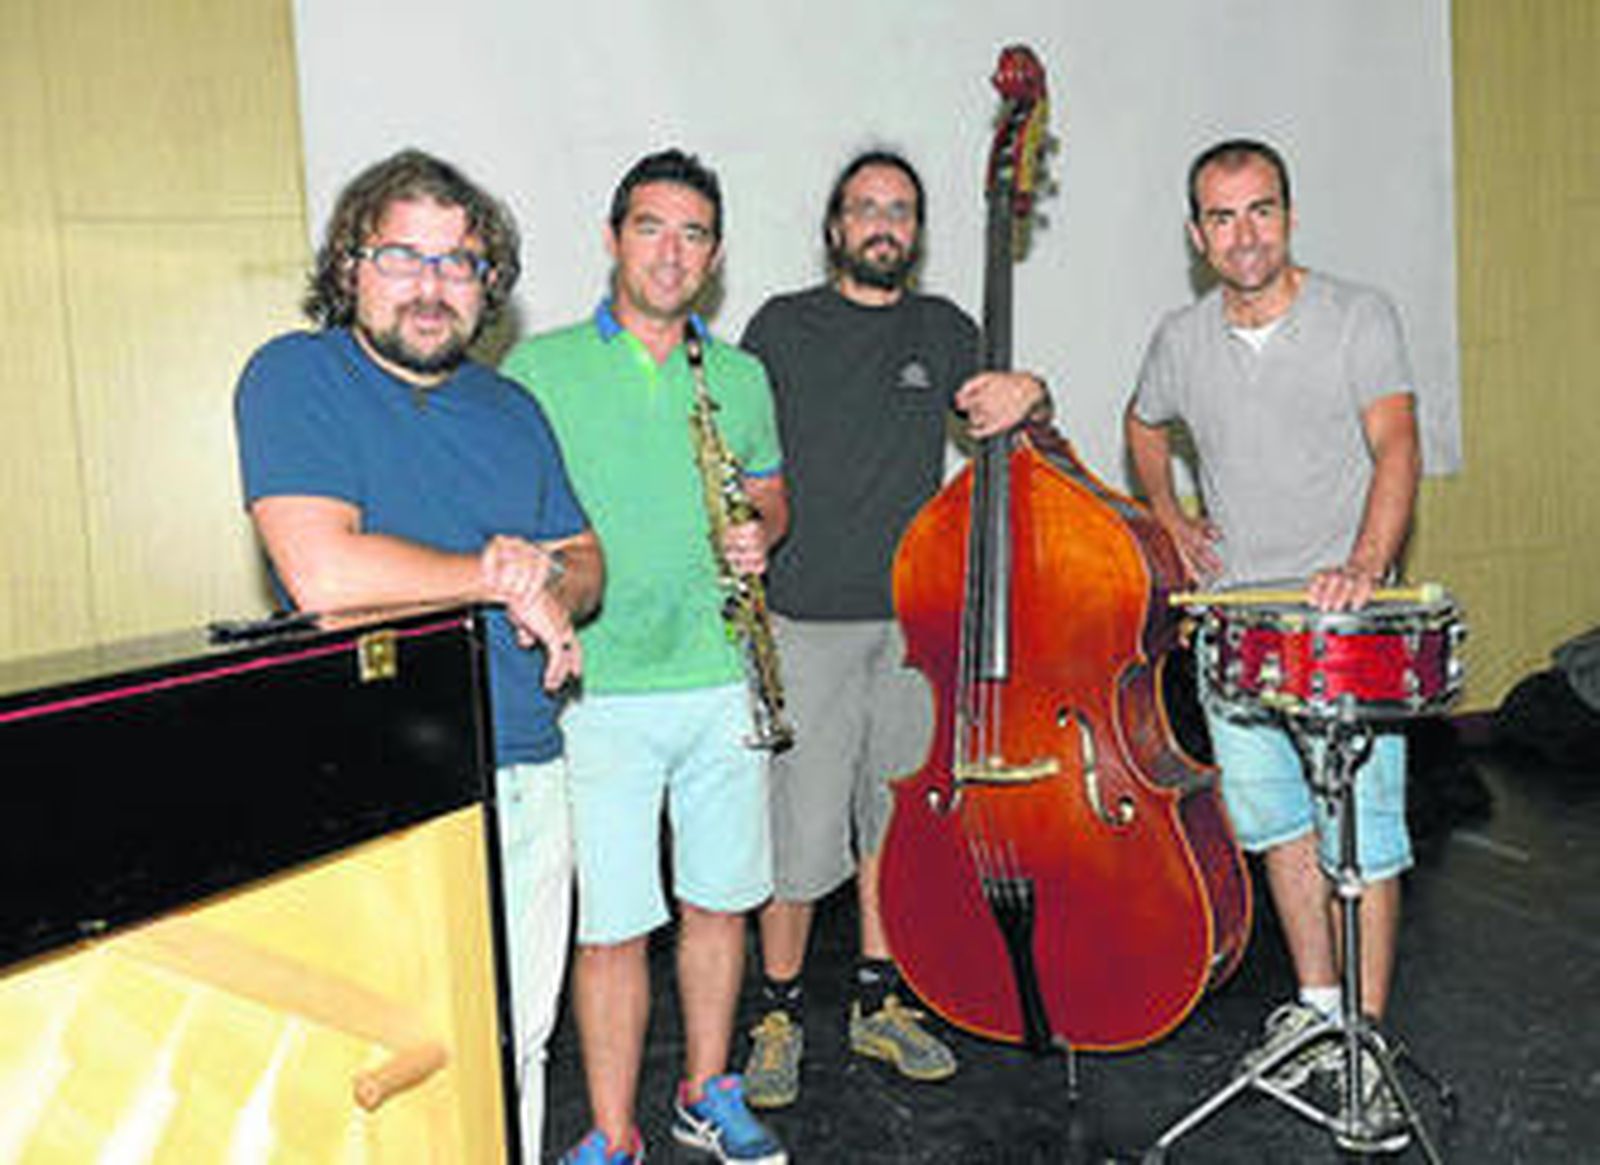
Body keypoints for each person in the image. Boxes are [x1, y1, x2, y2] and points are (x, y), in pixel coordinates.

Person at [233, 149, 602, 1164]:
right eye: (403, 256)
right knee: (387, 1066)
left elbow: (584, 561)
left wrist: (548, 586)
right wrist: (494, 574)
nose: (433, 284)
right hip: (373, 787)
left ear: (489, 286)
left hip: (524, 772)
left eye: (459, 263)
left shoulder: (511, 409)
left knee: (515, 1045)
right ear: (349, 264)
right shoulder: (295, 375)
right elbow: (322, 569)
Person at [1125, 138, 1422, 1153]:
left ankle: (1365, 1040)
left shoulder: (1359, 316)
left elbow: (1396, 443)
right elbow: (1142, 424)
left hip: (1343, 624)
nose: (1241, 233)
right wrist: (1168, 517)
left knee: (1364, 836)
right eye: (1220, 217)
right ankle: (1313, 1002)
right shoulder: (1179, 336)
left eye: (1259, 211)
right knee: (1277, 826)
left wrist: (1365, 564)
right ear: (1195, 234)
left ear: (1287, 217)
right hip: (1233, 621)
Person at [737, 149, 1050, 1111]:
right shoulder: (779, 328)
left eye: (902, 211)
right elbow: (747, 463)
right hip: (805, 620)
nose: (884, 224)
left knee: (894, 825)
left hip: (914, 627)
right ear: (835, 226)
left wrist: (1031, 393)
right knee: (796, 837)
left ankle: (881, 1001)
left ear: (916, 230)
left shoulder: (945, 328)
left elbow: (1008, 431)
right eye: (866, 208)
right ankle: (779, 1014)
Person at [500, 149, 788, 1165]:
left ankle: (706, 1092)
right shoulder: (538, 369)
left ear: (714, 256)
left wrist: (759, 528)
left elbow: (769, 494)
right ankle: (613, 1133)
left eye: (694, 234)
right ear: (615, 237)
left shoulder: (741, 375)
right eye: (652, 228)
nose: (672, 252)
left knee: (719, 904)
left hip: (722, 682)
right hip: (599, 690)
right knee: (612, 927)